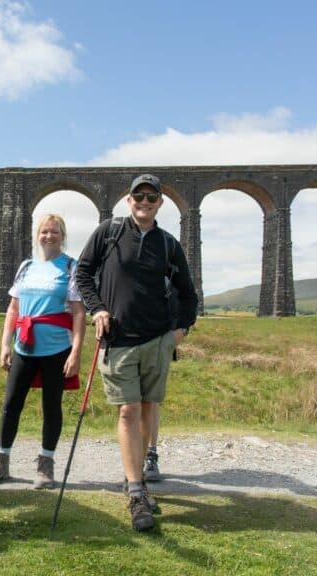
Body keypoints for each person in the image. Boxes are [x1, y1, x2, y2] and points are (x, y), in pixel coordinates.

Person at [74, 173, 198, 532]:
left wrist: (180, 331)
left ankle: (139, 478)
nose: (144, 202)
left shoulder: (169, 245)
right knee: (127, 410)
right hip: (119, 339)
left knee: (146, 409)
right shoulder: (108, 233)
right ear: (128, 200)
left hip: (157, 339)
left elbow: (188, 293)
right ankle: (134, 490)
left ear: (160, 203)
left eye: (151, 198)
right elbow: (83, 274)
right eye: (138, 196)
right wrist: (97, 308)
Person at [0, 213, 85, 489]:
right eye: (44, 232)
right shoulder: (26, 266)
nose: (49, 236)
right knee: (10, 404)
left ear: (62, 236)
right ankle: (1, 461)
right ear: (37, 235)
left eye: (54, 232)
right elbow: (13, 309)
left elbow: (78, 313)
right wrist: (5, 343)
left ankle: (45, 465)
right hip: (24, 346)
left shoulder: (71, 267)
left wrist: (76, 352)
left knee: (52, 406)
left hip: (57, 347)